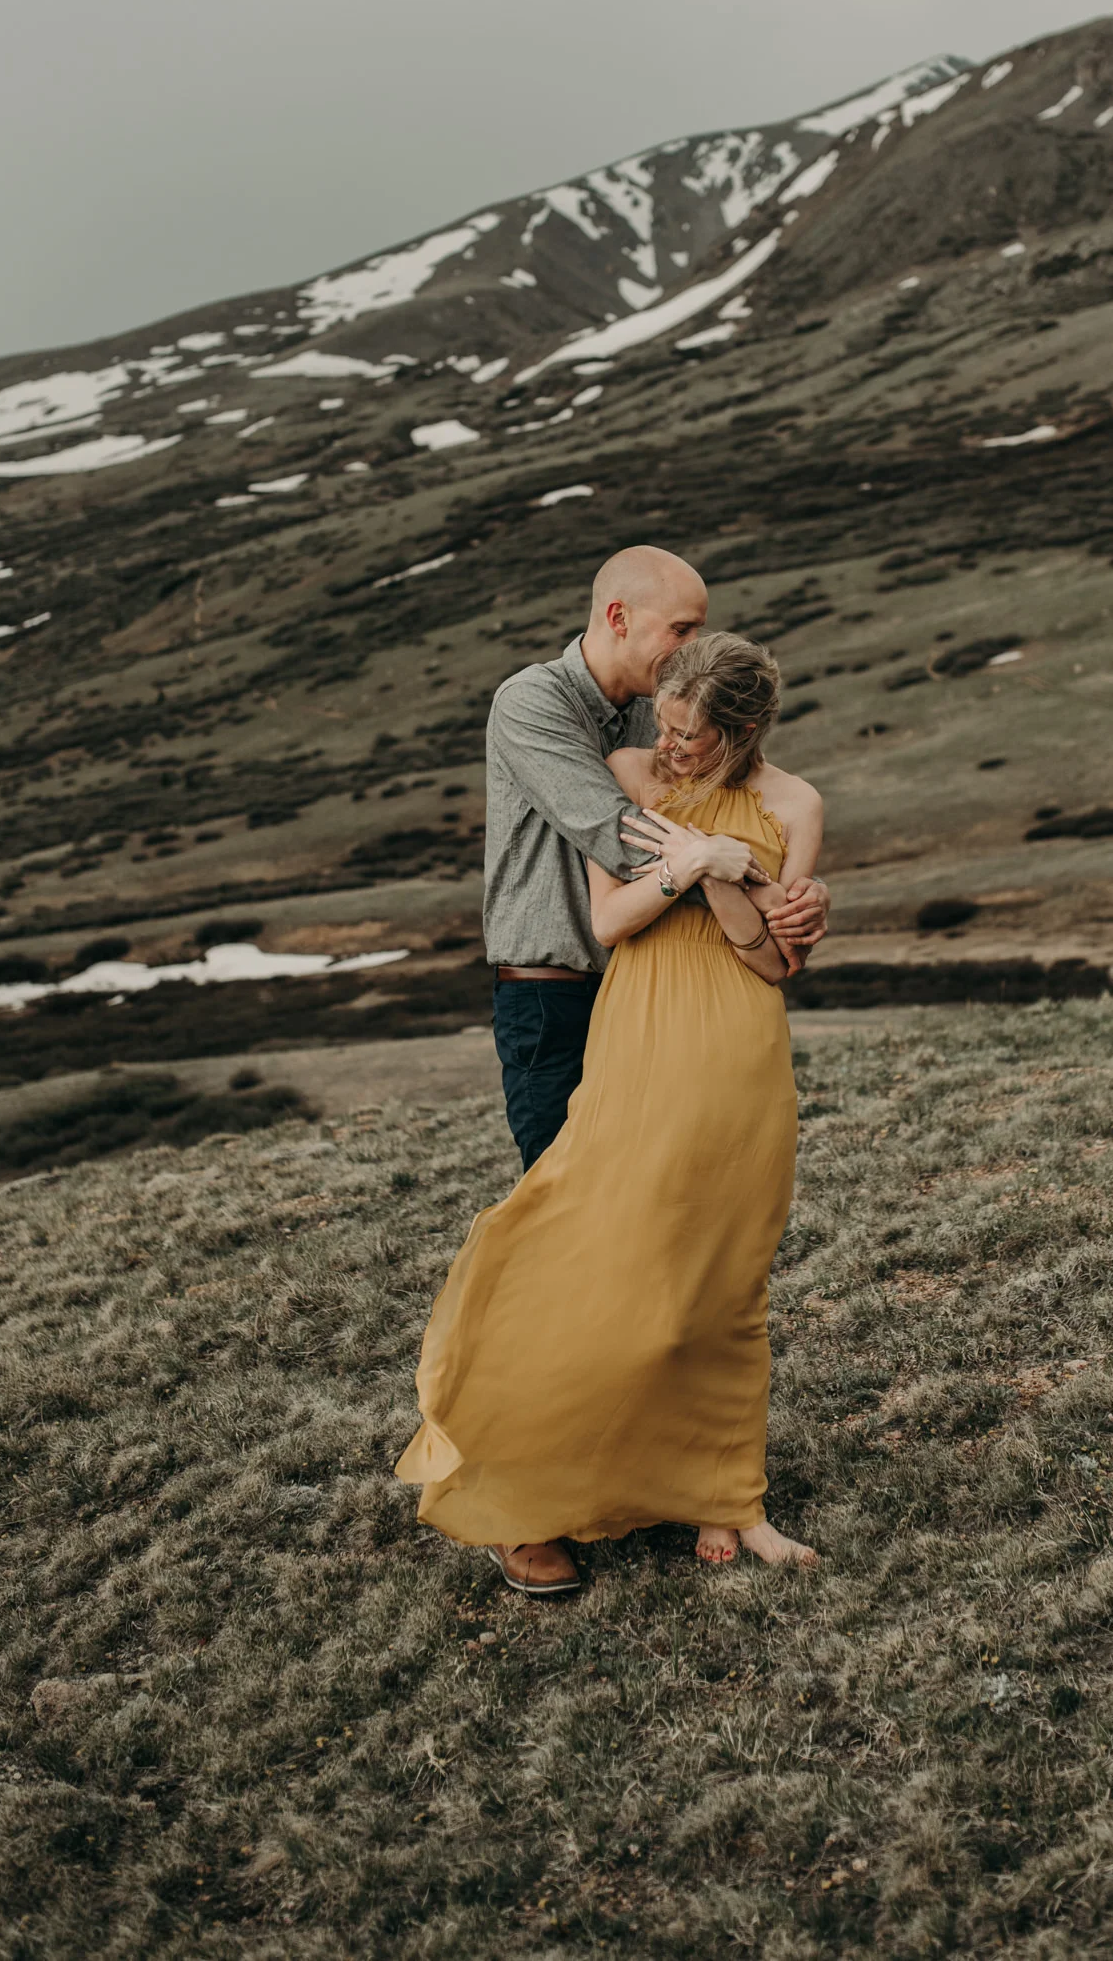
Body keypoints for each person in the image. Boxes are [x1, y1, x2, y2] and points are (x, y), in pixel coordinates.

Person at [397, 630, 823, 1592]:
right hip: (641, 1032)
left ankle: (729, 1496)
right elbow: (610, 918)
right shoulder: (629, 774)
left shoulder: (797, 805)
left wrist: (725, 873)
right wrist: (693, 863)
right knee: (612, 1256)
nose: (665, 746)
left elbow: (774, 959)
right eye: (663, 726)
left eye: (688, 736)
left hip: (741, 1046)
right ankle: (534, 1469)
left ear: (740, 731)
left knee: (728, 1272)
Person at [482, 544, 828, 1172]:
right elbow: (624, 839)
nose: (693, 644)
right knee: (561, 1183)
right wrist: (762, 893)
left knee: (650, 1184)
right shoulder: (532, 702)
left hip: (646, 990)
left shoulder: (662, 710)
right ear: (619, 617)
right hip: (552, 992)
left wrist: (803, 890)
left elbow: (728, 814)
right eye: (681, 628)